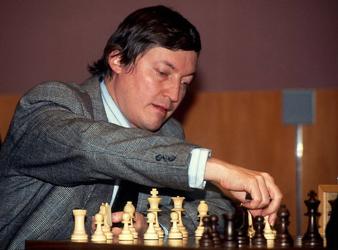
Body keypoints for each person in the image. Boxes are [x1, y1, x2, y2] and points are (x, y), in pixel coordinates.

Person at [0, 5, 282, 249]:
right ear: (118, 60)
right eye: (162, 73)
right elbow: (89, 147)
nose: (174, 95)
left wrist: (152, 227)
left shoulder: (169, 133)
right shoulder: (49, 103)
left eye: (185, 83)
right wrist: (211, 167)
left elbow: (217, 208)